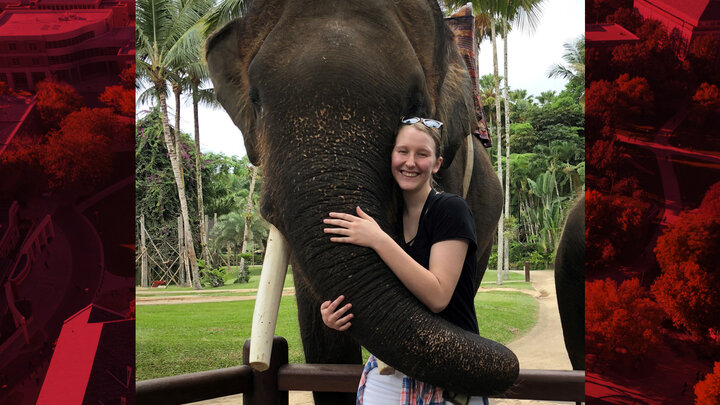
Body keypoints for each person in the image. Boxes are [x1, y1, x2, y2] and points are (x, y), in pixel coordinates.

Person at [321, 117, 488, 405]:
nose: (410, 162)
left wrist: (379, 240)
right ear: (391, 157)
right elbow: (375, 293)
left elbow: (438, 295)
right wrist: (334, 315)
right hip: (389, 367)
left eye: (422, 154)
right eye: (403, 152)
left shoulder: (450, 210)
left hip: (448, 367)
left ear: (436, 164)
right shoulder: (385, 219)